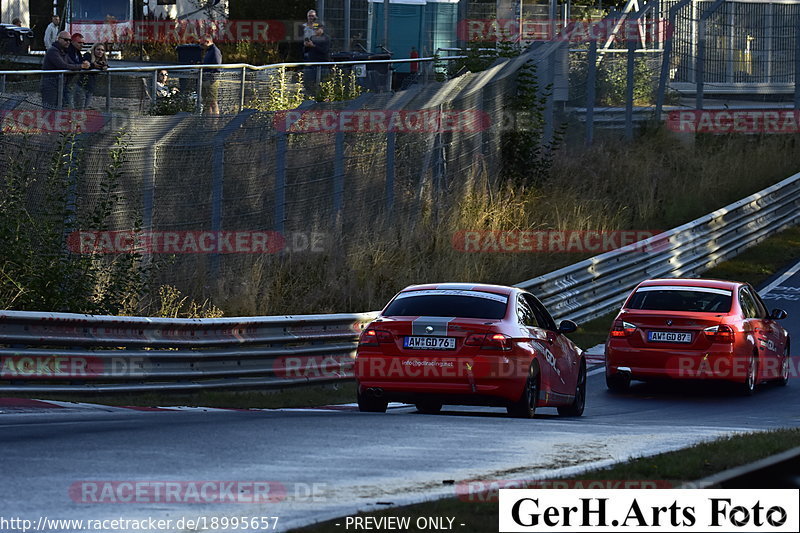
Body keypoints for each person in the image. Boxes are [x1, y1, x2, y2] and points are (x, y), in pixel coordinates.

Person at [41, 31, 89, 108]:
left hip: (60, 84)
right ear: (58, 39)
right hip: (50, 85)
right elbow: (63, 65)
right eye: (66, 40)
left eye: (69, 40)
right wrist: (81, 66)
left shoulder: (64, 51)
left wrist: (84, 64)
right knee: (49, 109)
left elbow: (72, 64)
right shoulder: (53, 51)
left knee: (59, 109)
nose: (68, 42)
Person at [78, 42, 108, 109]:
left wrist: (103, 66)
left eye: (102, 50)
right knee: (80, 106)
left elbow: (105, 65)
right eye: (98, 49)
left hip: (91, 86)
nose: (100, 52)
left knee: (86, 106)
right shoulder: (87, 55)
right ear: (94, 50)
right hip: (81, 85)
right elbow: (86, 65)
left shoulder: (102, 60)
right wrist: (94, 66)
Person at [200, 34, 222, 115]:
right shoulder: (208, 51)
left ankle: (215, 122)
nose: (201, 46)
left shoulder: (215, 51)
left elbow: (217, 67)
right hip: (206, 79)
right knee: (206, 102)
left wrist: (212, 80)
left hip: (211, 81)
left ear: (208, 42)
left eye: (202, 44)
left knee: (213, 101)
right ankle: (207, 120)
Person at [64, 33, 86, 108]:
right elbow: (72, 64)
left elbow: (80, 62)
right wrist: (82, 65)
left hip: (71, 82)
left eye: (83, 43)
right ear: (72, 42)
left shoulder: (77, 52)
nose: (82, 45)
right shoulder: (69, 51)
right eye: (79, 43)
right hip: (65, 82)